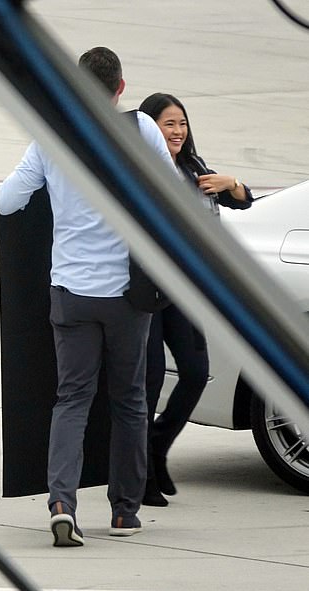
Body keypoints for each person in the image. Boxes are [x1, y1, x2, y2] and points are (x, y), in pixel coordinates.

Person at [0, 47, 177, 546]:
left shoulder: (51, 137)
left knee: (71, 399)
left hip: (71, 293)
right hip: (127, 295)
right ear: (120, 88)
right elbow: (171, 191)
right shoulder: (141, 130)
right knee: (130, 401)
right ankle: (123, 511)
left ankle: (61, 502)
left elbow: (6, 201)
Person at [138, 92, 252, 507]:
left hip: (185, 295)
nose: (178, 132)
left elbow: (243, 200)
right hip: (147, 293)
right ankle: (142, 474)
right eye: (169, 124)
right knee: (148, 382)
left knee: (195, 371)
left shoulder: (194, 168)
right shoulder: (140, 171)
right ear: (150, 128)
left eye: (182, 124)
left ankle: (156, 444)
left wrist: (231, 183)